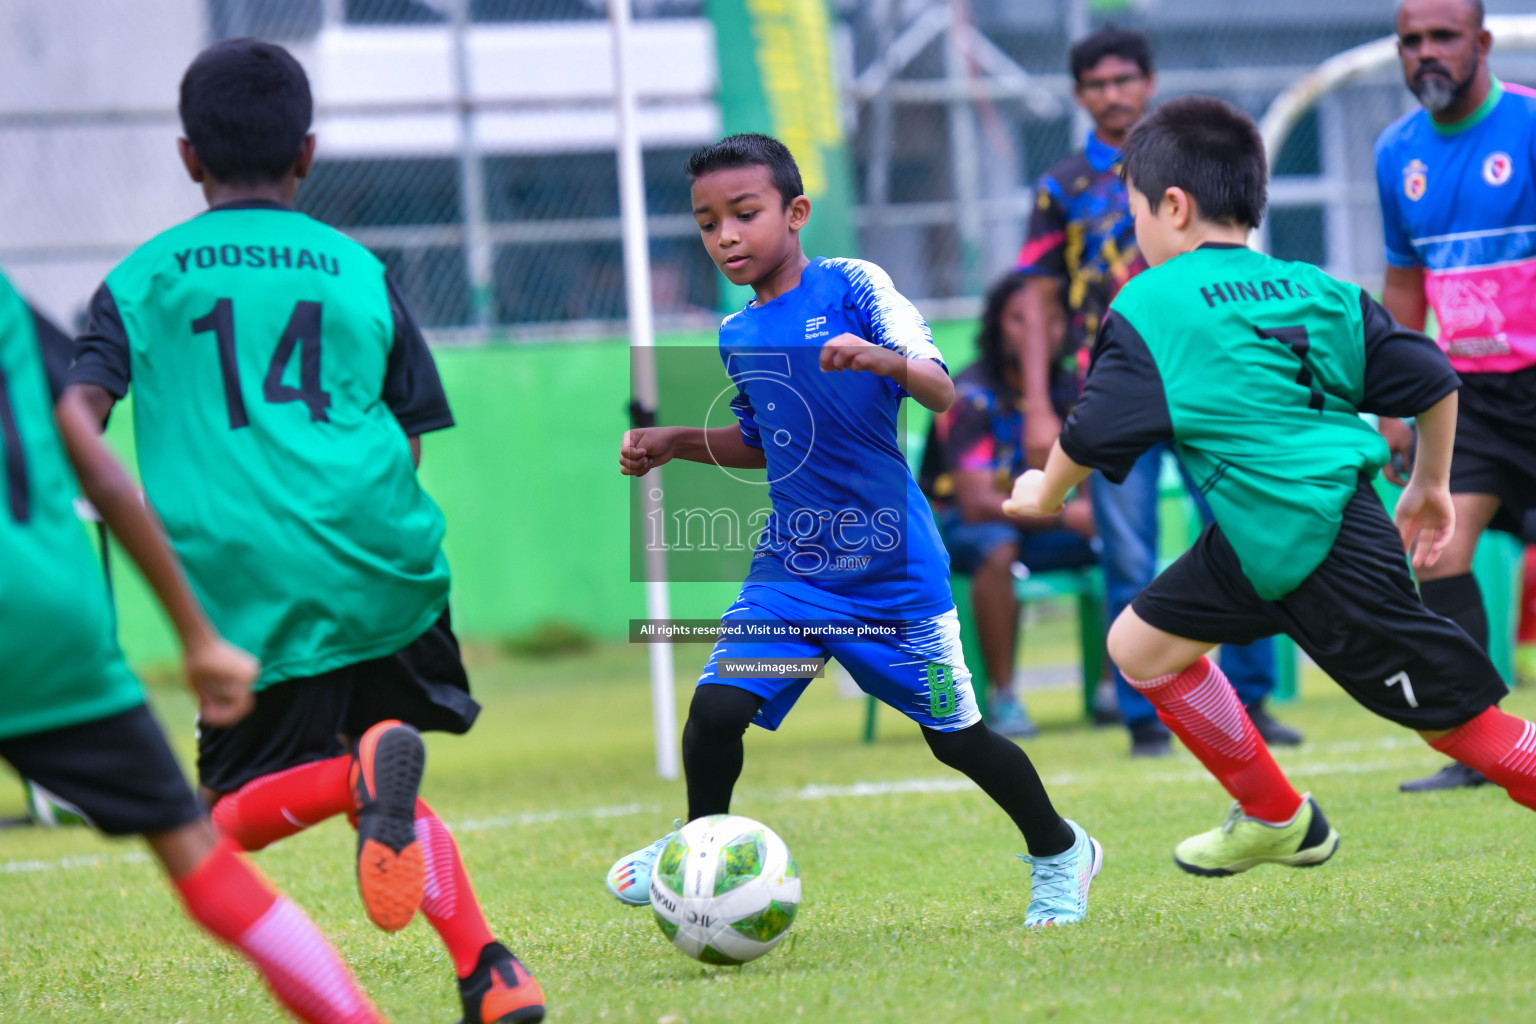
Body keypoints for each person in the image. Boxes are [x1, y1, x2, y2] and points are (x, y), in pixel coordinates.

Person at [63, 39, 544, 1024]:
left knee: (219, 831)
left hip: (252, 589)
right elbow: (408, 432)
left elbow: (81, 413)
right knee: (387, 788)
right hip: (387, 561)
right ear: (309, 153)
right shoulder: (360, 269)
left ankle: (361, 778)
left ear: (190, 155)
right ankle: (491, 970)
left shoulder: (140, 280)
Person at [1006, 94, 1536, 877]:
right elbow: (1430, 375)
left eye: (1136, 213)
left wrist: (1041, 496)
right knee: (1140, 646)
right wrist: (1429, 482)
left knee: (1465, 731)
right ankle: (1277, 817)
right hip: (1260, 540)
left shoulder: (1153, 301)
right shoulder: (1313, 287)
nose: (1136, 231)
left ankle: (1284, 810)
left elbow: (1089, 433)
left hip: (1327, 549)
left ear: (1174, 207)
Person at [606, 133, 1102, 928]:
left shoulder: (853, 286)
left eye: (744, 213)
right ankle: (694, 849)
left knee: (960, 741)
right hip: (793, 574)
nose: (726, 236)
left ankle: (1060, 851)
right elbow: (768, 442)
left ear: (796, 212)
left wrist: (881, 360)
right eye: (707, 223)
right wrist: (678, 442)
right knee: (717, 711)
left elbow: (940, 392)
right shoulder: (738, 333)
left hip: (892, 578)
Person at [0, 274, 389, 1023]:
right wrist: (198, 638)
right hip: (52, 618)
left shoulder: (145, 284)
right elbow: (104, 475)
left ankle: (356, 780)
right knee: (203, 861)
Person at [1014, 25, 1298, 758]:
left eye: (1123, 81)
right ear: (1080, 96)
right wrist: (1043, 402)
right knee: (1130, 555)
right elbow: (1039, 298)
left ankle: (1255, 704)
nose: (1112, 96)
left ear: (1148, 81)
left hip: (1208, 385)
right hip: (1111, 392)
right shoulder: (1062, 186)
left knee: (1244, 533)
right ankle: (1148, 717)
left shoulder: (1195, 165)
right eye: (1097, 85)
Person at [1375, 0, 1536, 793]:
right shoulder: (1394, 153)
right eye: (1412, 41)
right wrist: (1392, 406)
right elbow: (1405, 283)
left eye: (1443, 38)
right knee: (1437, 550)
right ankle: (1480, 744)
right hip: (1467, 396)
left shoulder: (1531, 125)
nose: (1426, 54)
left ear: (1482, 42)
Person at [924, 271, 1099, 737]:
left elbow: (1090, 476)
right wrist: (1068, 511)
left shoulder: (1071, 388)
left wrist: (1088, 513)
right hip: (963, 525)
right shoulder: (969, 392)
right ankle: (1004, 699)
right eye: (1019, 319)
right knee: (998, 546)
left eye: (1054, 319)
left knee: (1117, 539)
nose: (1039, 330)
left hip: (1043, 522)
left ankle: (1114, 691)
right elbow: (977, 502)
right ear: (998, 324)